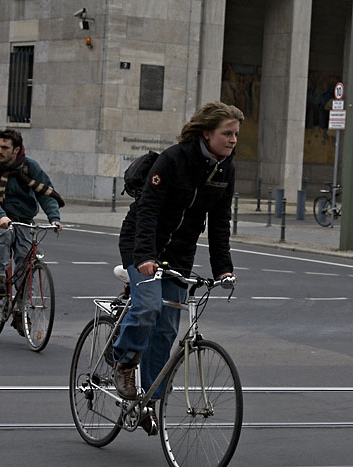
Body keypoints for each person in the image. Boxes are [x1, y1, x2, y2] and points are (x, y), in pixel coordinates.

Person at [113, 101, 242, 436]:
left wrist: (223, 268)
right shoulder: (174, 159)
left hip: (180, 254)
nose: (233, 140)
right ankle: (124, 363)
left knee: (168, 327)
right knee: (148, 306)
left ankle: (149, 400)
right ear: (207, 133)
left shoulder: (226, 170)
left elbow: (219, 224)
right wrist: (144, 255)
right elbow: (148, 209)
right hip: (141, 243)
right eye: (227, 133)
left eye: (236, 134)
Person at [0, 129, 63, 336]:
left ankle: (21, 309)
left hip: (23, 217)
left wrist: (54, 218)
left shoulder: (30, 166)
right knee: (4, 234)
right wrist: (1, 216)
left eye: (5, 148)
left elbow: (45, 191)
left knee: (26, 261)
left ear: (16, 150)